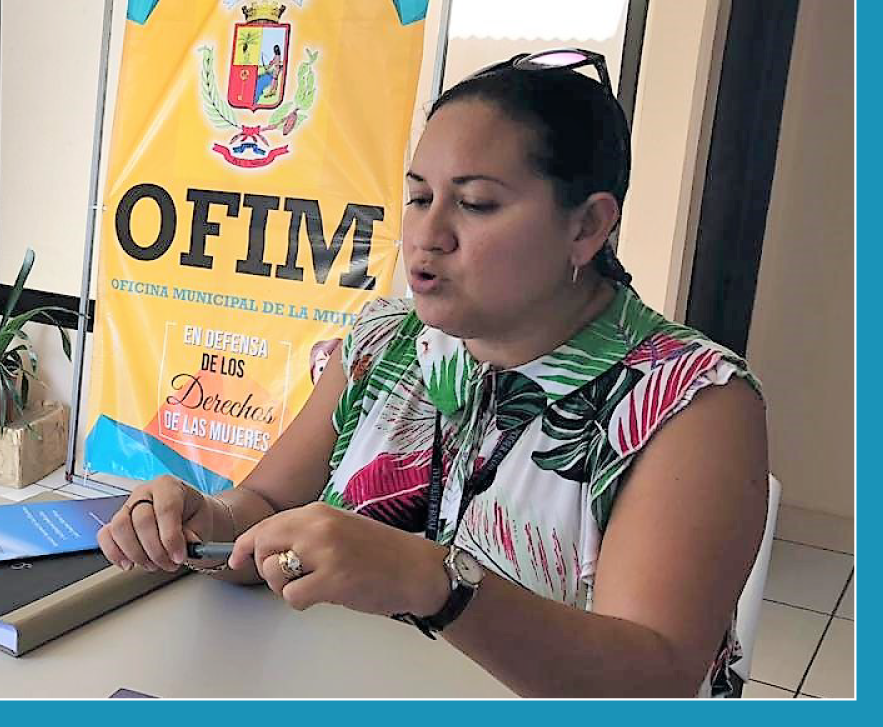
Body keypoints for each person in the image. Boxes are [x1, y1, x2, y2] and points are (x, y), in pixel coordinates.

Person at [98, 50, 768, 698]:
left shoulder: (690, 403)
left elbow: (652, 683)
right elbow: (267, 509)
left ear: (587, 226)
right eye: (419, 197)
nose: (428, 234)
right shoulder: (385, 341)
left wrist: (441, 583)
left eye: (475, 204)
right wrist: (200, 521)